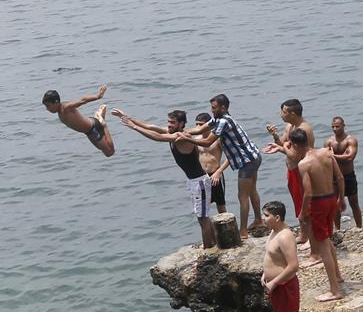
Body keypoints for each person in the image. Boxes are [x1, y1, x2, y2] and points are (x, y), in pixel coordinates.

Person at [111, 108, 215, 248]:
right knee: (202, 217)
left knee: (203, 218)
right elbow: (150, 127)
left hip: (200, 182)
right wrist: (127, 117)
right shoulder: (170, 132)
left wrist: (134, 127)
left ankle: (208, 249)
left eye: (172, 122)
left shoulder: (180, 136)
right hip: (193, 182)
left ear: (181, 124)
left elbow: (157, 137)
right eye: (168, 122)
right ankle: (211, 243)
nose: (169, 125)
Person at [275, 128, 346, 302]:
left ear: (296, 145)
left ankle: (334, 291)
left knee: (323, 247)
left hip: (318, 203)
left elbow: (307, 192)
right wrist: (341, 199)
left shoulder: (304, 164)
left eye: (292, 146)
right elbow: (340, 177)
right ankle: (337, 276)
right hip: (331, 199)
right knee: (327, 239)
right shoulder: (326, 153)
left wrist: (303, 211)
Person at [182, 94, 263, 239]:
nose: (212, 110)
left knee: (242, 195)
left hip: (248, 161)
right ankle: (258, 220)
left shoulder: (224, 121)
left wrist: (187, 139)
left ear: (223, 107)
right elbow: (200, 130)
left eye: (214, 108)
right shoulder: (218, 118)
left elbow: (207, 141)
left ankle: (243, 231)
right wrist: (184, 132)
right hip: (253, 156)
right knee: (251, 191)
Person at [265, 99, 319, 258]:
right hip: (291, 170)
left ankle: (311, 238)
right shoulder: (290, 127)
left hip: (302, 171)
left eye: (283, 112)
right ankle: (303, 234)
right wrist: (275, 136)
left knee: (306, 205)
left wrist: (280, 149)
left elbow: (297, 155)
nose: (281, 114)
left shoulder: (305, 130)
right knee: (297, 203)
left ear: (293, 114)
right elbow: (283, 142)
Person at [261, 201, 303, 312]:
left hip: (284, 287)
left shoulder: (285, 236)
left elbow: (293, 266)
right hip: (276, 286)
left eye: (266, 216)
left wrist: (274, 283)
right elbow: (272, 257)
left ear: (277, 218)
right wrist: (265, 274)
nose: (263, 219)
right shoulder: (273, 232)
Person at [42, 85, 115, 157]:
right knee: (102, 149)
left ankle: (103, 124)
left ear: (56, 102)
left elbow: (83, 100)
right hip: (88, 132)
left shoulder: (66, 108)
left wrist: (98, 96)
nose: (47, 109)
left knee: (110, 152)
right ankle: (100, 116)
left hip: (93, 128)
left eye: (48, 106)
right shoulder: (60, 112)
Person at [325, 117, 362, 228]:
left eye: (337, 126)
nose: (335, 129)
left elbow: (350, 157)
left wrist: (333, 156)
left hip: (348, 175)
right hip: (334, 177)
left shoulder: (350, 140)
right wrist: (340, 156)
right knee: (336, 205)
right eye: (333, 127)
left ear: (343, 125)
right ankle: (338, 229)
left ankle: (359, 227)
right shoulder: (329, 141)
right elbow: (325, 159)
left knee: (354, 203)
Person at [195, 112, 226, 214]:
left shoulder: (217, 140)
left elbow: (231, 157)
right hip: (202, 176)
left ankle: (226, 228)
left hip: (214, 176)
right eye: (197, 124)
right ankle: (209, 229)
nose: (199, 127)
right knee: (202, 207)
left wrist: (219, 172)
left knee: (221, 206)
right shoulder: (196, 140)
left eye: (201, 124)